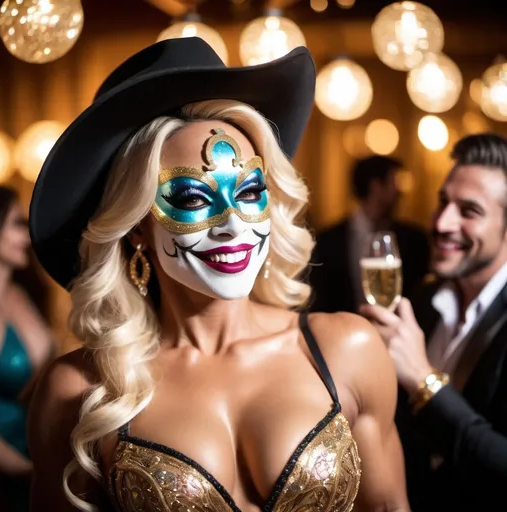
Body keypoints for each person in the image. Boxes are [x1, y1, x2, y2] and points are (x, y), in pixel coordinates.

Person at [27, 37, 409, 511]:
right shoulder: (83, 389)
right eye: (191, 198)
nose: (233, 224)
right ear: (136, 228)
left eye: (249, 191)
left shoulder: (346, 350)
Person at [361, 133, 507, 511]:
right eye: (443, 203)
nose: (442, 223)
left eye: (469, 211)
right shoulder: (423, 299)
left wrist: (423, 380)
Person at [0, 186, 54, 512]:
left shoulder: (24, 292)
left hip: (37, 453)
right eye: (18, 223)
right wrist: (27, 472)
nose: (28, 237)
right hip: (6, 474)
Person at [310, 155, 430, 314]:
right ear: (375, 186)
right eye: (395, 183)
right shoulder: (328, 241)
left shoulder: (415, 239)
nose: (401, 192)